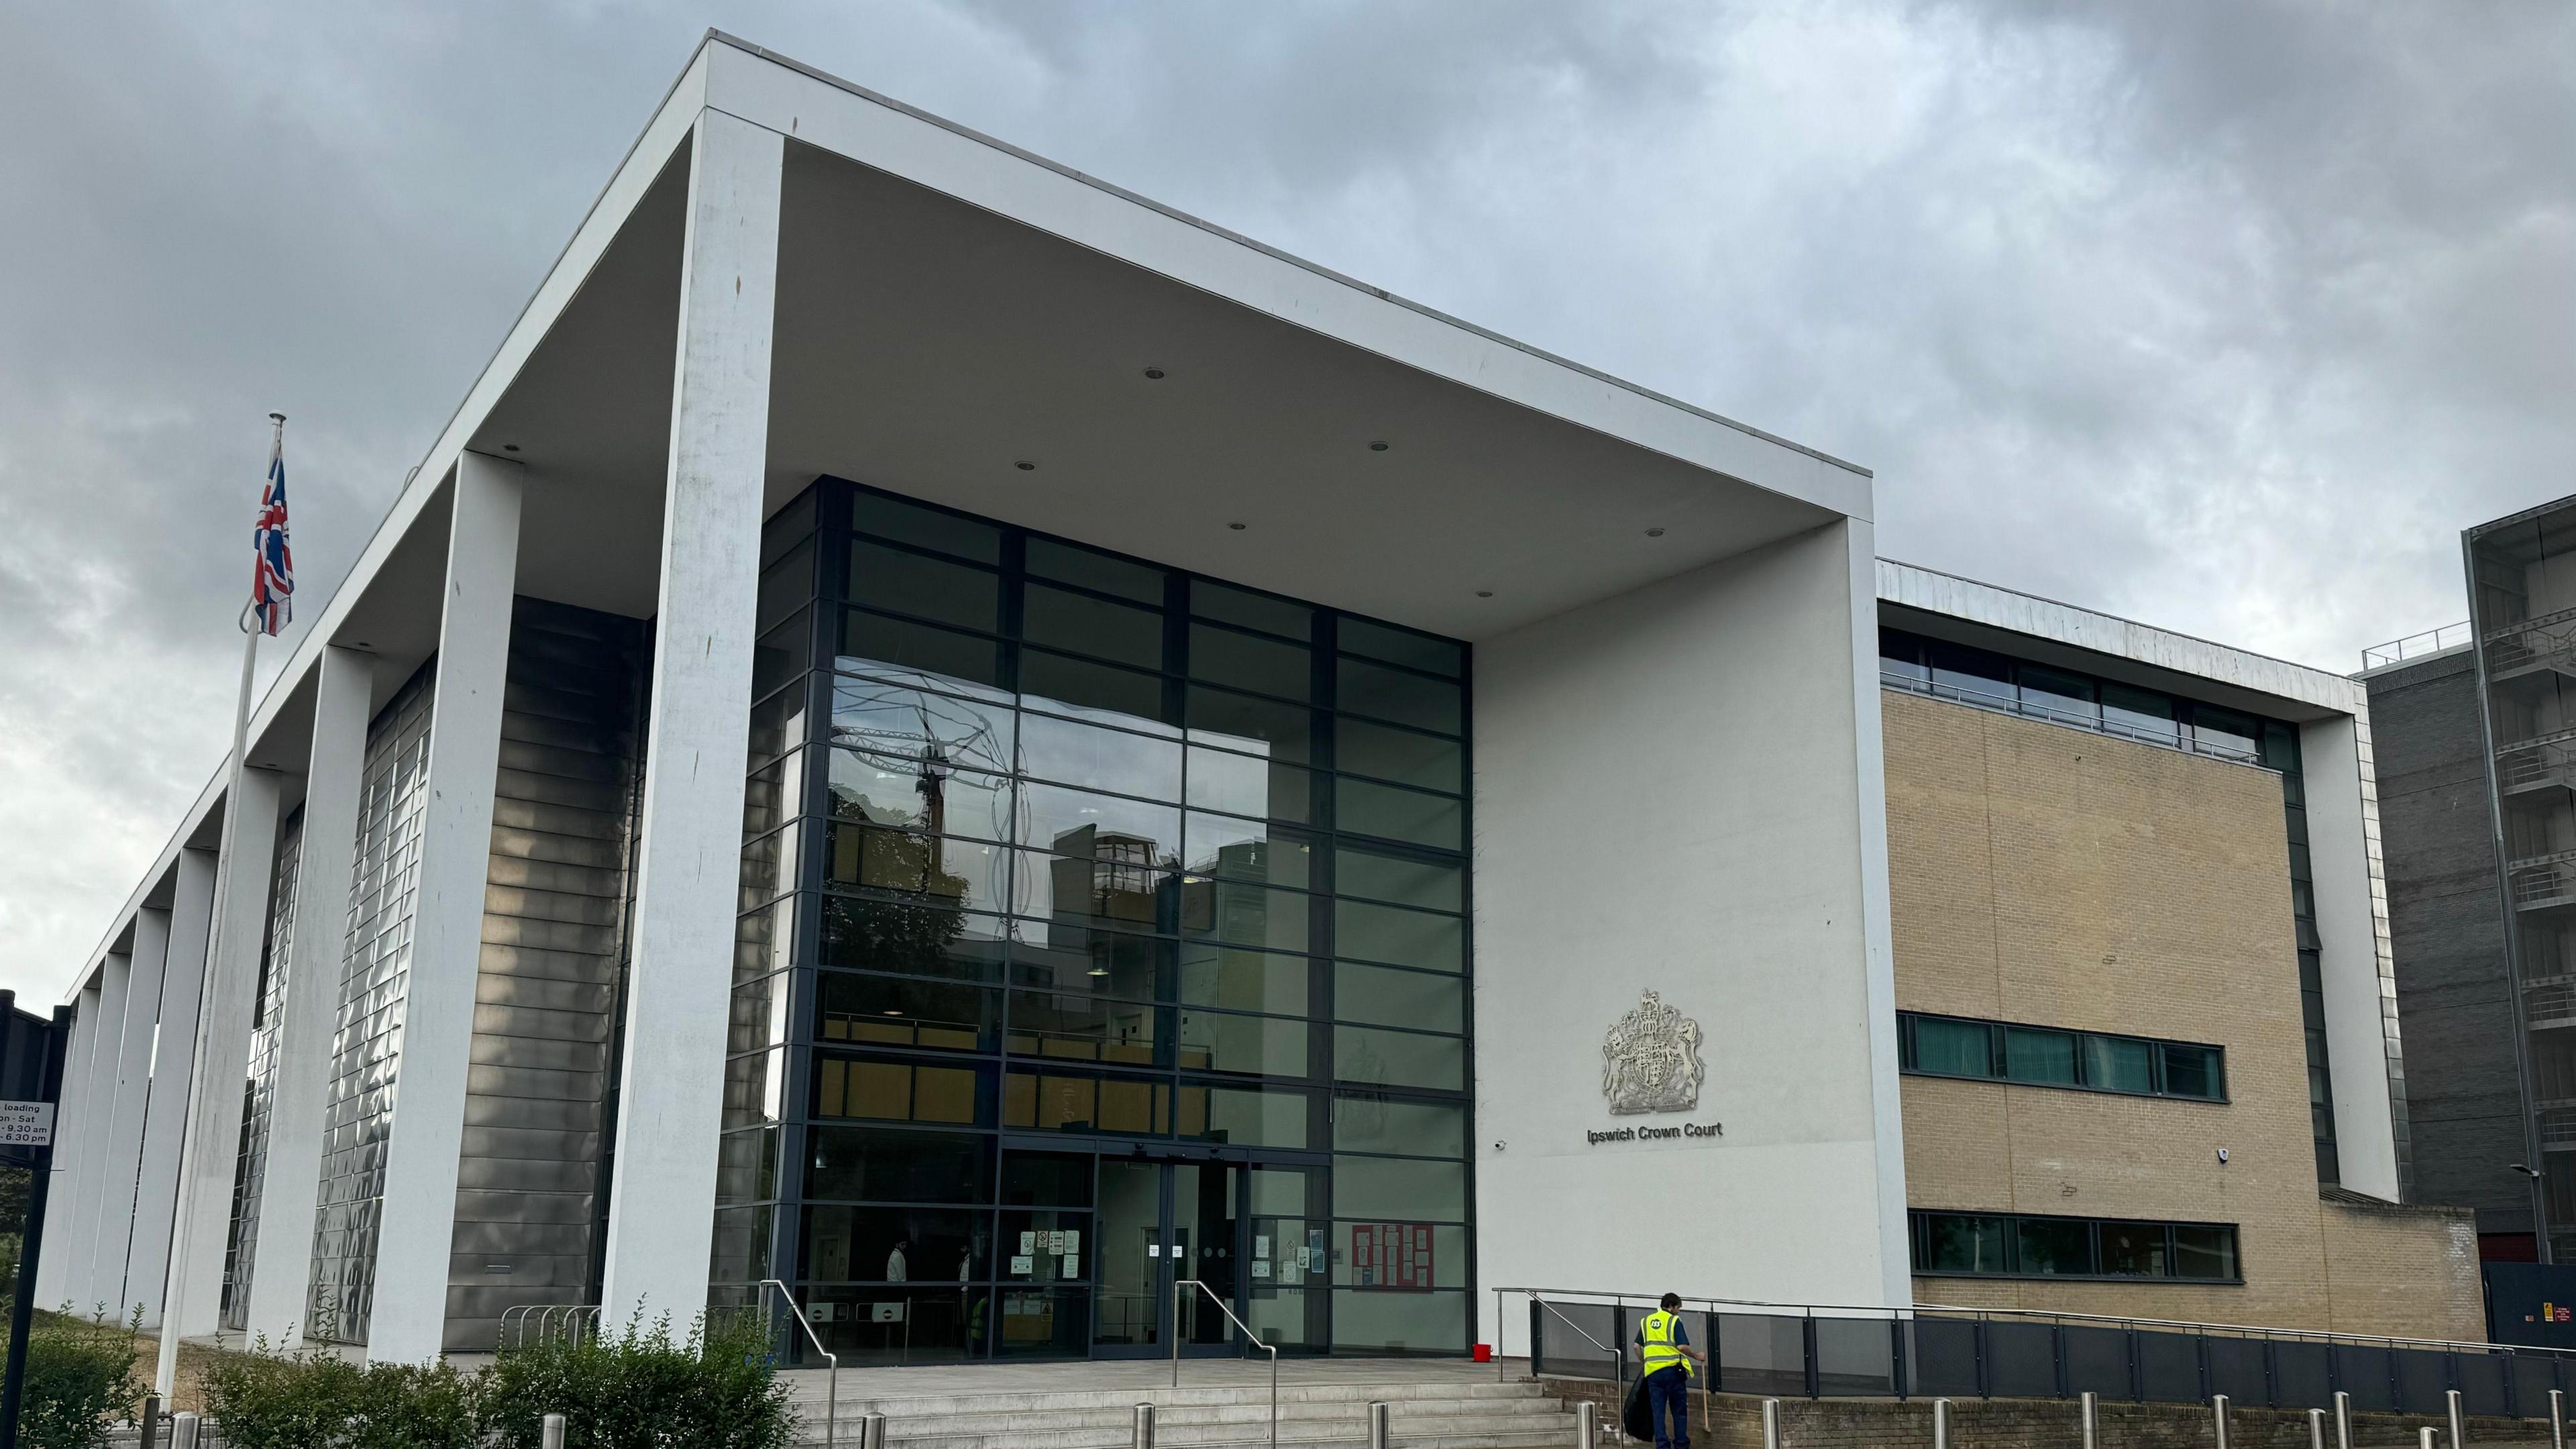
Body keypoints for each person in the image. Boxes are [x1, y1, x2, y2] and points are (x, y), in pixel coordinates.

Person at [1634, 1293, 1705, 1449]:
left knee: (1658, 1411)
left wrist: (1645, 1361)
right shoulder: (1674, 1321)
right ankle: (1681, 1445)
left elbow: (1637, 1347)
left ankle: (1662, 1445)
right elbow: (1681, 1347)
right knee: (1679, 1411)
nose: (1678, 1312)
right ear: (1672, 1307)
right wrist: (1696, 1356)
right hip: (1673, 1372)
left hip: (1653, 1374)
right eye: (1678, 1308)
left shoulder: (1646, 1321)